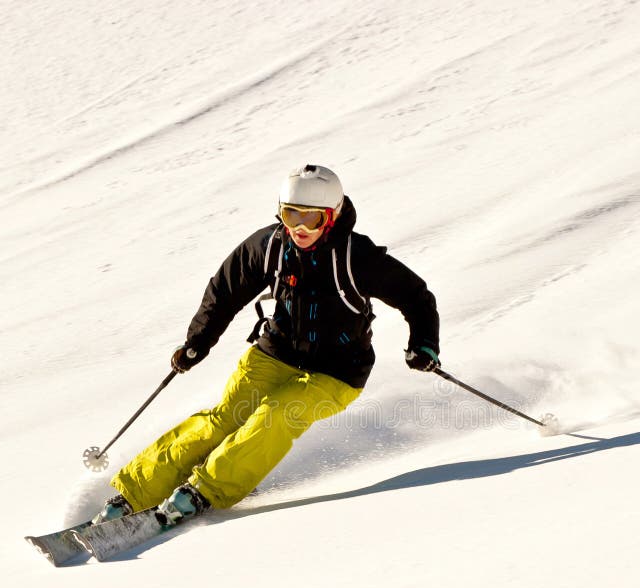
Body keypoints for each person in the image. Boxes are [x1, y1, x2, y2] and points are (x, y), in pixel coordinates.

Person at [93, 164, 440, 526]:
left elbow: (416, 296)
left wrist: (424, 344)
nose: (300, 229)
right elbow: (224, 291)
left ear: (332, 216)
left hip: (338, 371)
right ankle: (135, 493)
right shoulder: (270, 246)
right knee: (226, 418)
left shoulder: (357, 257)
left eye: (312, 219)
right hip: (276, 351)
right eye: (292, 215)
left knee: (276, 414)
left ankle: (205, 490)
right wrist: (198, 341)